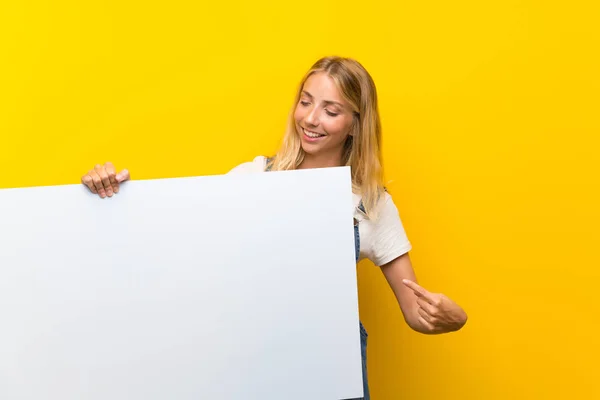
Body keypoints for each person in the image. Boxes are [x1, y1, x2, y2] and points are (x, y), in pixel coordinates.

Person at [81, 56, 468, 399]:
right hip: (254, 365)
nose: (311, 119)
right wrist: (112, 192)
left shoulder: (372, 203)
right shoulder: (253, 178)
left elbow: (417, 312)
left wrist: (451, 319)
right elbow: (170, 234)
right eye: (305, 102)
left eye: (331, 110)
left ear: (355, 125)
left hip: (333, 370)